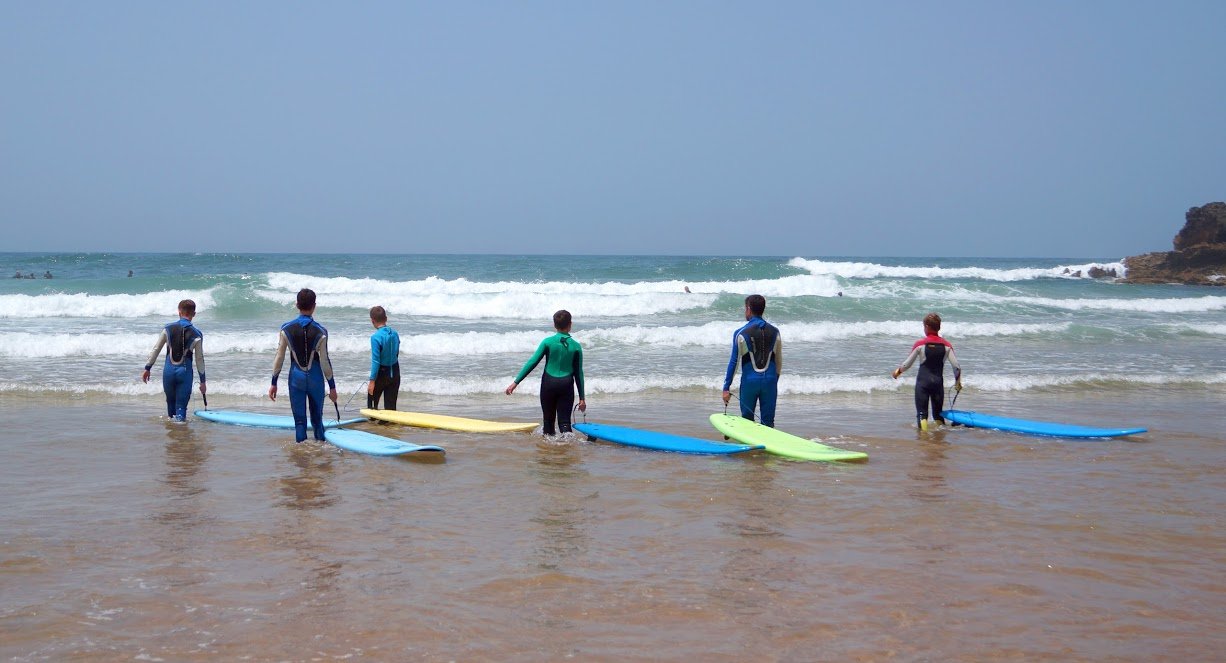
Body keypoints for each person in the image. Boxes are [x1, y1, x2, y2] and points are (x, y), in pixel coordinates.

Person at [269, 288, 338, 442]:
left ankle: (302, 454)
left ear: (297, 305)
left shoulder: (286, 329)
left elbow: (279, 357)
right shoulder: (321, 331)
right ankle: (320, 450)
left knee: (300, 422)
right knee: (317, 420)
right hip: (315, 378)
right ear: (314, 306)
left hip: (296, 378)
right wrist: (332, 387)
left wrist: (274, 382)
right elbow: (325, 361)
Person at [505, 309, 586, 435]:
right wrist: (582, 398)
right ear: (570, 324)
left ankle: (548, 446)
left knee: (548, 422)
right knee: (565, 423)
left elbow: (532, 362)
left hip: (549, 383)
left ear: (554, 325)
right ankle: (567, 446)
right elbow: (578, 373)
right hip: (566, 385)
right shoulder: (576, 346)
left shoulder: (547, 342)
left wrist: (515, 382)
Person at [891, 312, 962, 430]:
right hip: (938, 383)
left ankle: (924, 437)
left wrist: (897, 372)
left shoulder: (920, 344)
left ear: (927, 327)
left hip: (923, 383)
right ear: (938, 327)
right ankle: (940, 435)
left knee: (922, 414)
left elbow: (907, 364)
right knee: (938, 414)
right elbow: (957, 367)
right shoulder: (947, 345)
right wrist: (957, 383)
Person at [722, 294, 783, 427]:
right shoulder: (775, 332)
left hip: (750, 382)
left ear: (748, 309)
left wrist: (726, 388)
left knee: (747, 422)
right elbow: (778, 361)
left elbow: (734, 362)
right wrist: (773, 381)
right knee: (768, 423)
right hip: (770, 381)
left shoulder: (741, 333)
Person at [141, 299, 206, 421]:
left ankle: (172, 430)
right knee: (181, 407)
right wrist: (203, 382)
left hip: (168, 372)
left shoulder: (168, 329)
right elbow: (199, 359)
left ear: (179, 312)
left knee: (170, 405)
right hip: (185, 373)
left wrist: (147, 368)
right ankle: (181, 430)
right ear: (194, 314)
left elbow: (156, 349)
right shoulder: (197, 334)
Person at [366, 305, 401, 410]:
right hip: (395, 371)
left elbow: (376, 361)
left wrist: (372, 381)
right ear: (386, 319)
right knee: (391, 409)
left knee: (372, 407)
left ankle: (373, 420)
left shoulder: (375, 337)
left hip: (381, 373)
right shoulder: (395, 334)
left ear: (372, 321)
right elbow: (396, 353)